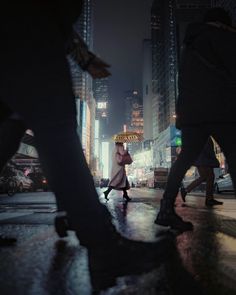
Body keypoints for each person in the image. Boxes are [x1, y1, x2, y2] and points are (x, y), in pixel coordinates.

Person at [0, 2, 174, 285]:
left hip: (22, 29)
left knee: (8, 134)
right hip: (27, 34)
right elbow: (46, 14)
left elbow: (52, 18)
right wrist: (81, 55)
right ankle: (105, 247)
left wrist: (83, 57)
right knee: (57, 129)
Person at [155, 7, 236, 232]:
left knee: (183, 160)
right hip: (222, 109)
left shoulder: (189, 45)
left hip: (191, 113)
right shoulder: (224, 37)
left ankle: (166, 209)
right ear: (222, 23)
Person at [180, 137, 223, 206]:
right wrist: (215, 160)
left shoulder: (203, 134)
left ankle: (208, 198)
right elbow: (208, 150)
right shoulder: (205, 134)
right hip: (203, 159)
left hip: (202, 158)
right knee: (208, 176)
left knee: (206, 177)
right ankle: (209, 199)